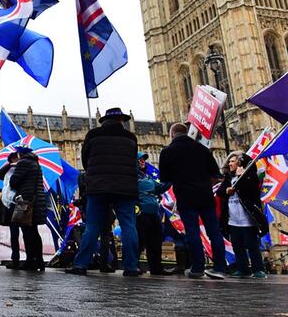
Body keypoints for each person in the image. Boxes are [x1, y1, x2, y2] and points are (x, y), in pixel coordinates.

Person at [67, 108, 140, 276]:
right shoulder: (130, 138)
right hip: (125, 188)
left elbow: (85, 161)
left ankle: (81, 265)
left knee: (92, 226)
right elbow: (133, 162)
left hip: (98, 186)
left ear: (104, 120)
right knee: (128, 226)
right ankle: (131, 267)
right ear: (122, 120)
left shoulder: (93, 135)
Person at [158, 123, 226, 279]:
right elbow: (215, 173)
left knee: (192, 232)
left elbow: (164, 178)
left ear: (171, 134)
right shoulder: (202, 149)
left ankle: (197, 268)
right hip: (205, 196)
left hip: (185, 197)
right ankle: (220, 268)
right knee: (214, 232)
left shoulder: (167, 152)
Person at [218, 152, 268, 278]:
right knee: (237, 245)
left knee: (252, 245)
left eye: (233, 161)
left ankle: (258, 269)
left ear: (240, 163)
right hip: (233, 219)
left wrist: (243, 176)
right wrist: (226, 190)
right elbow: (220, 192)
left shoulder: (250, 176)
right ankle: (243, 268)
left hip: (247, 219)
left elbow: (253, 191)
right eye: (229, 162)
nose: (230, 163)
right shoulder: (228, 178)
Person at [8, 145, 48, 271]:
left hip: (27, 202)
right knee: (35, 232)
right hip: (37, 201)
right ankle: (40, 261)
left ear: (20, 154)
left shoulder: (23, 163)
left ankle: (30, 261)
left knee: (27, 232)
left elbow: (13, 182)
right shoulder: (36, 163)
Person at [136, 152, 171, 275]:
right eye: (139, 159)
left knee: (155, 241)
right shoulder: (131, 176)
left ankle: (156, 268)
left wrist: (171, 179)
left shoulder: (147, 177)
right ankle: (133, 265)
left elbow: (160, 187)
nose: (142, 161)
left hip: (153, 212)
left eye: (143, 159)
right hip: (141, 212)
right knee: (140, 240)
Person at [0, 152, 21, 269]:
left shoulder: (23, 168)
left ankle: (34, 259)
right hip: (9, 204)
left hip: (20, 203)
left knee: (27, 233)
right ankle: (15, 259)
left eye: (16, 158)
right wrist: (10, 165)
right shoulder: (7, 170)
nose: (15, 160)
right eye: (13, 158)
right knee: (14, 233)